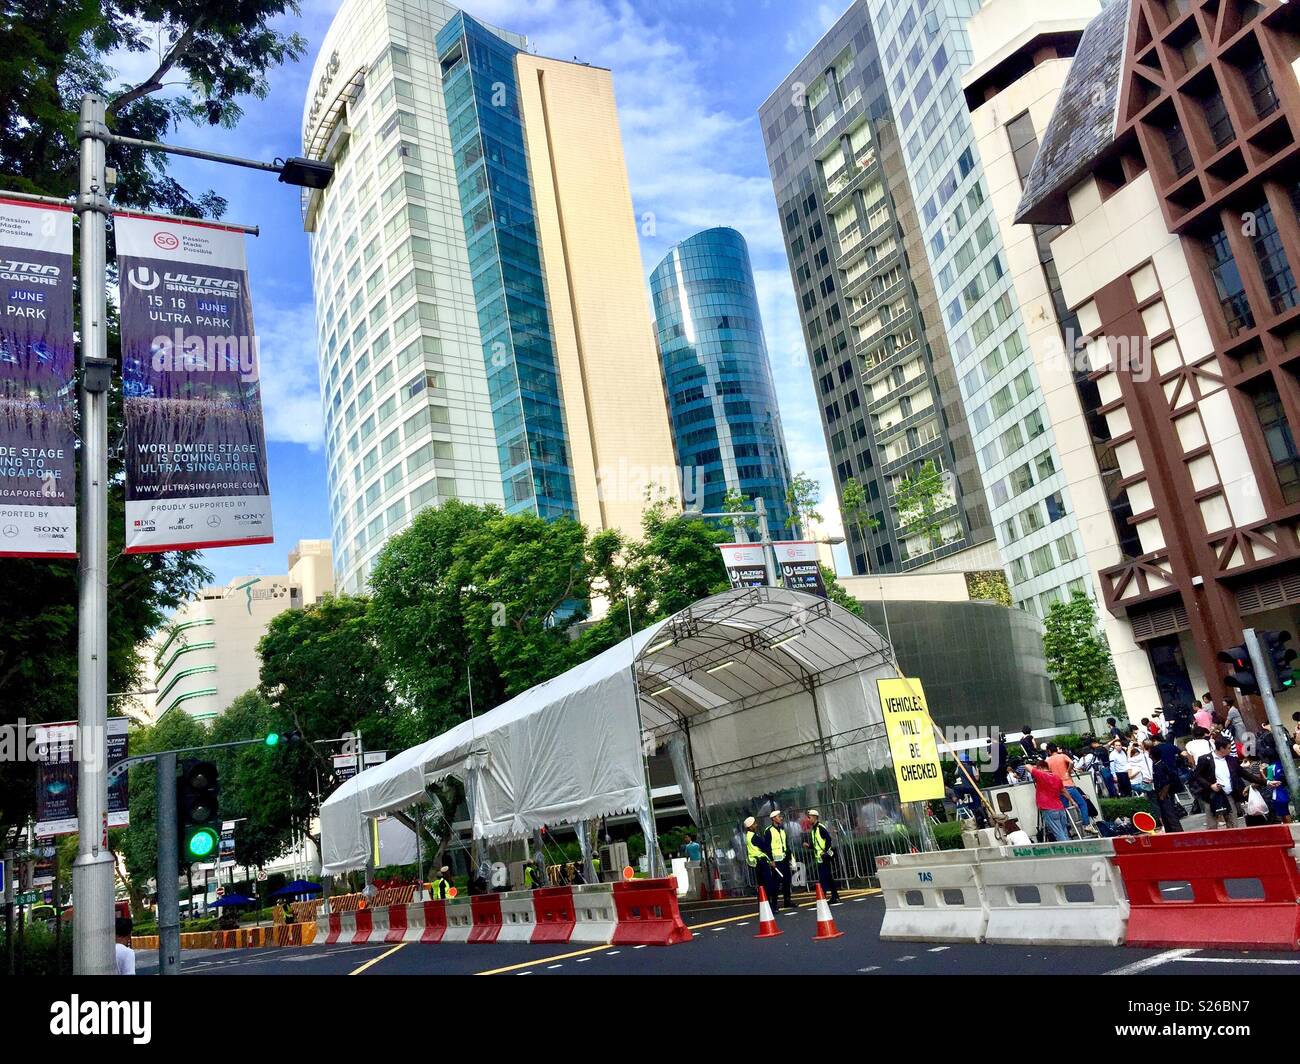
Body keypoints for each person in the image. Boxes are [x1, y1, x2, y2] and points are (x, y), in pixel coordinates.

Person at [1189, 735, 1265, 829]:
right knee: (1212, 825)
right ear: (1221, 748)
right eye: (1229, 748)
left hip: (1228, 795)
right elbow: (1197, 775)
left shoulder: (1231, 760)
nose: (1230, 750)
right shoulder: (1205, 759)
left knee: (1233, 823)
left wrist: (1266, 782)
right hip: (1212, 796)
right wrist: (1210, 786)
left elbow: (1245, 774)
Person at [1045, 743, 1096, 834]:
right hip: (1069, 785)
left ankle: (1068, 829)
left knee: (1064, 809)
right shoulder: (1063, 756)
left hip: (1058, 788)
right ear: (1056, 749)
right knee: (1082, 804)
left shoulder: (1048, 761)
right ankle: (1086, 824)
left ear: (1049, 751)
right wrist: (1068, 772)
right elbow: (1072, 763)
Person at [1030, 759, 1072, 841]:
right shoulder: (1056, 777)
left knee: (1058, 833)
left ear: (1040, 768)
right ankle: (1071, 849)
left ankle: (1066, 850)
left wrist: (1035, 767)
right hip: (1060, 808)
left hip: (1048, 808)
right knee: (1064, 831)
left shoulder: (1041, 775)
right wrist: (1072, 801)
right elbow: (1063, 791)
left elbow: (1027, 766)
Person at [806, 809, 840, 903]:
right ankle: (835, 896)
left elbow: (828, 840)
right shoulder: (814, 829)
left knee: (823, 878)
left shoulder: (820, 828)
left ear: (815, 817)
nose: (808, 819)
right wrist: (809, 846)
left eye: (809, 817)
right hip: (820, 858)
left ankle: (822, 898)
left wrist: (825, 851)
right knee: (828, 877)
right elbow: (817, 844)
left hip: (824, 857)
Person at [1151, 750, 1185, 833]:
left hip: (1164, 793)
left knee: (1169, 813)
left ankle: (1178, 832)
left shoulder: (1160, 766)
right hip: (1161, 792)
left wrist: (1163, 794)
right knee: (1165, 814)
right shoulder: (1157, 765)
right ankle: (1169, 831)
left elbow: (1166, 782)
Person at [767, 810, 793, 910]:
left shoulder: (782, 829)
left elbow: (785, 844)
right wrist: (771, 860)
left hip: (784, 859)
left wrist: (790, 857)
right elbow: (768, 846)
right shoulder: (769, 831)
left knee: (787, 880)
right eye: (779, 816)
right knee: (776, 883)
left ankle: (787, 901)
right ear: (773, 818)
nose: (781, 818)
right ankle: (774, 904)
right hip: (776, 861)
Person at [744, 815, 774, 900]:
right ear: (750, 826)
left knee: (761, 884)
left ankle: (763, 902)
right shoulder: (754, 837)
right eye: (754, 824)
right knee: (767, 884)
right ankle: (768, 903)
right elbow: (764, 847)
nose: (756, 825)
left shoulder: (748, 836)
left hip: (757, 863)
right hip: (761, 862)